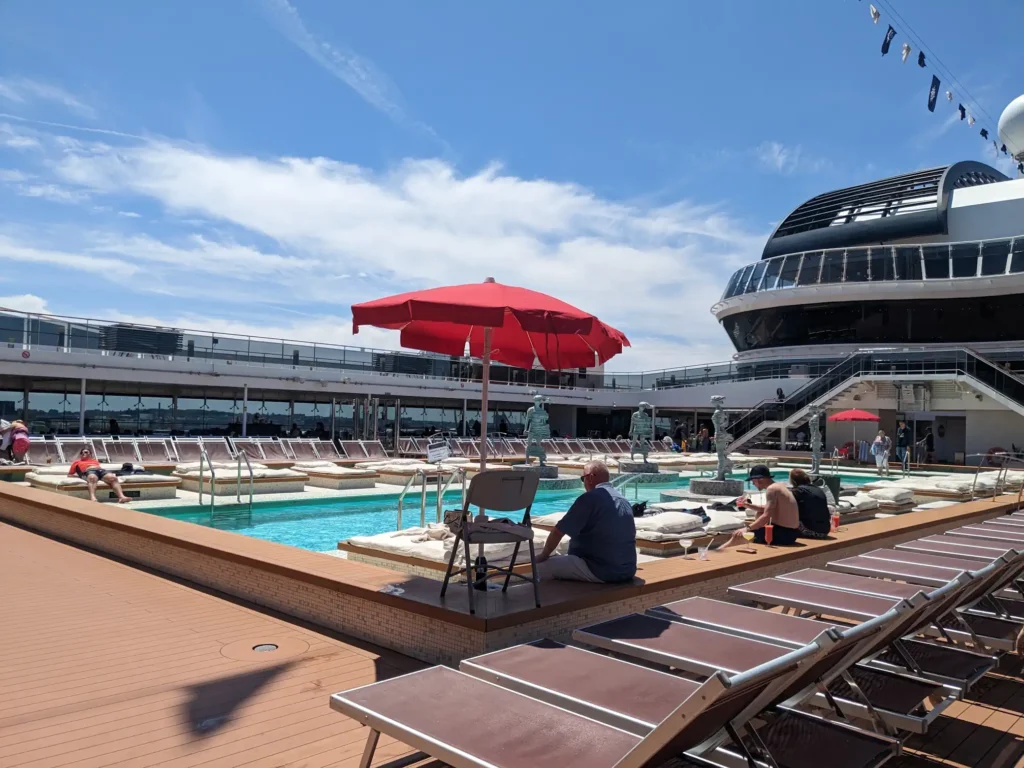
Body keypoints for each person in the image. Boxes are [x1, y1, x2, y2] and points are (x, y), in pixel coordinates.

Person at [535, 460, 637, 583]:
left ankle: (555, 600)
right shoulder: (623, 499)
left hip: (601, 570)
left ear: (590, 478)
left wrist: (544, 555)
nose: (583, 483)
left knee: (541, 567)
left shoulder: (589, 498)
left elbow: (558, 532)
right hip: (628, 569)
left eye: (583, 479)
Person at [727, 465, 801, 546]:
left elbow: (767, 516)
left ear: (759, 480)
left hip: (782, 534)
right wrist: (747, 505)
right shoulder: (779, 486)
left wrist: (747, 529)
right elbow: (766, 509)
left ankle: (717, 555)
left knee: (738, 537)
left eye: (753, 481)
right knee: (759, 514)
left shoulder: (771, 489)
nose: (753, 483)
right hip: (792, 533)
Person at [789, 468, 831, 538]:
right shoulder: (818, 489)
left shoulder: (797, 492)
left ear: (793, 481)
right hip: (825, 530)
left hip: (811, 531)